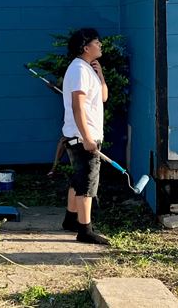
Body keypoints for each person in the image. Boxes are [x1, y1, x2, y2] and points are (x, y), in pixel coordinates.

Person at [60, 28, 110, 245]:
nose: (100, 45)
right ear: (85, 47)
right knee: (87, 183)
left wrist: (100, 74)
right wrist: (87, 138)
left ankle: (71, 220)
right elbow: (77, 106)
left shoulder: (87, 69)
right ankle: (85, 230)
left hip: (84, 135)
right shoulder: (79, 70)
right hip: (82, 137)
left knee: (78, 179)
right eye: (97, 42)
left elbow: (104, 97)